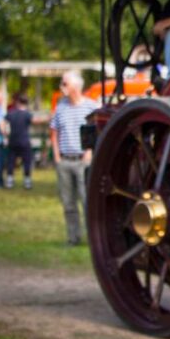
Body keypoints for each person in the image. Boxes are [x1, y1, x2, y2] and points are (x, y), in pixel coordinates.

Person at [50, 71, 97, 246]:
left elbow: (97, 132)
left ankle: (93, 239)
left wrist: (89, 152)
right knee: (68, 203)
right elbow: (54, 133)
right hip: (64, 160)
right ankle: (73, 238)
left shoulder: (91, 107)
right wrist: (57, 157)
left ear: (75, 87)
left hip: (83, 161)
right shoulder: (60, 107)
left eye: (64, 84)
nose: (61, 87)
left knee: (87, 200)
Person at [2, 94, 33, 189]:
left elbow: (3, 123)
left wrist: (5, 134)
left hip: (13, 140)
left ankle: (10, 180)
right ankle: (27, 181)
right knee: (27, 161)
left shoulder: (11, 113)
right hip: (24, 141)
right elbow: (34, 121)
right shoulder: (27, 114)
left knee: (11, 161)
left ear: (18, 102)